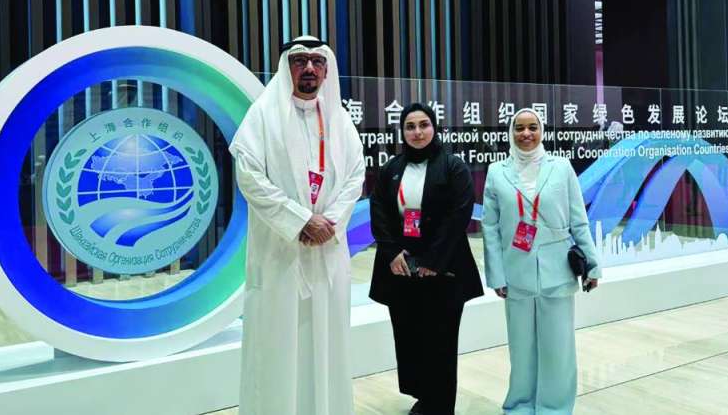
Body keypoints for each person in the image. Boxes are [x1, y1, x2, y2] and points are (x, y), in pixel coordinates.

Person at [230, 35, 366, 415]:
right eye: (300, 60)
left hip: (327, 254)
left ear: (326, 70)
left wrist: (329, 222)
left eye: (317, 61)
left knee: (328, 341)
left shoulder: (339, 120)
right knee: (276, 344)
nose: (309, 68)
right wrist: (301, 220)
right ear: (285, 67)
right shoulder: (263, 115)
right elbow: (250, 177)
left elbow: (356, 175)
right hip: (280, 254)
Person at [482, 108, 601, 415]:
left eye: (532, 127)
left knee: (558, 348)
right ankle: (519, 405)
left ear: (541, 131)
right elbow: (490, 228)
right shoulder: (497, 172)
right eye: (519, 128)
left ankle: (554, 407)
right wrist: (496, 275)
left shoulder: (561, 168)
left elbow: (579, 220)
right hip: (516, 271)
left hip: (557, 270)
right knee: (521, 347)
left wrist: (592, 264)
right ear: (511, 132)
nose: (526, 134)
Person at [369, 103, 484, 415]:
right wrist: (391, 252)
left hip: (442, 269)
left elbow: (459, 215)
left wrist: (434, 260)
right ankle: (423, 397)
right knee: (409, 335)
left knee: (441, 340)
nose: (417, 132)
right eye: (410, 126)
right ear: (402, 132)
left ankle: (440, 406)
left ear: (435, 128)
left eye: (423, 125)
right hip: (401, 267)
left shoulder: (453, 166)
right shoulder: (392, 168)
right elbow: (379, 210)